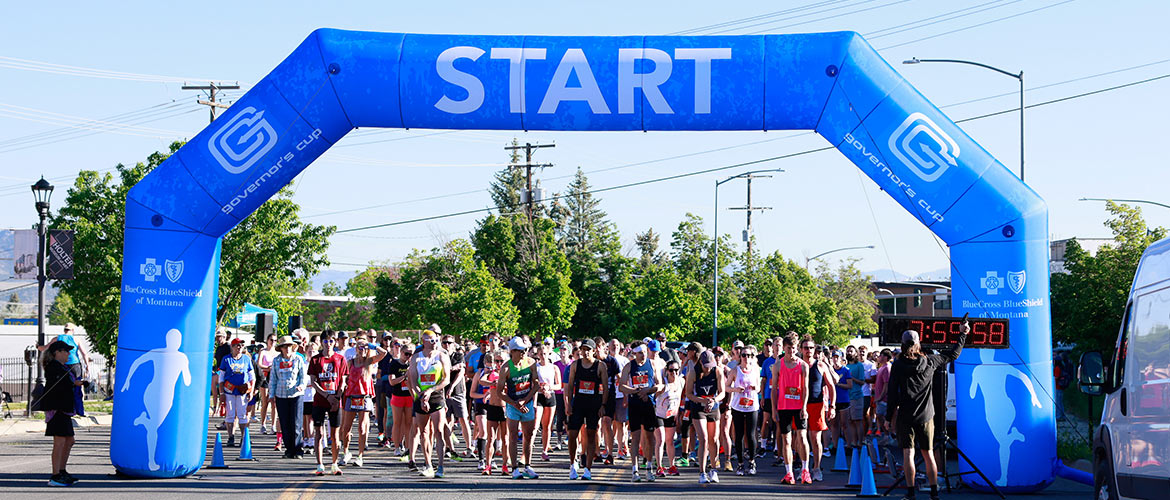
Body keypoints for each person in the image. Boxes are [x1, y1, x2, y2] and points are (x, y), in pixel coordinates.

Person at [887, 323, 968, 500]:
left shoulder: (898, 365)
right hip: (926, 415)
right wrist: (962, 335)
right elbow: (953, 354)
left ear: (902, 344)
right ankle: (934, 493)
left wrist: (888, 417)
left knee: (908, 454)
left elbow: (892, 393)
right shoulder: (930, 361)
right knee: (928, 453)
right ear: (918, 343)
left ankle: (910, 493)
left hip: (905, 415)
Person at [408, 329, 452, 478]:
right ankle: (428, 464)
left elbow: (446, 379)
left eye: (436, 340)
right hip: (420, 396)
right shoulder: (416, 358)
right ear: (424, 342)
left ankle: (440, 466)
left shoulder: (442, 356)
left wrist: (431, 390)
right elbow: (412, 380)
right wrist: (421, 396)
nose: (435, 343)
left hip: (436, 395)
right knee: (424, 431)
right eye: (431, 340)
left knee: (438, 431)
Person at [619, 340, 663, 482]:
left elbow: (660, 385)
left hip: (649, 403)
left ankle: (649, 468)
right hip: (635, 404)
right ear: (634, 354)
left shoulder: (652, 364)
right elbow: (621, 386)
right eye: (640, 353)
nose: (643, 355)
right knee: (636, 437)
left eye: (644, 352)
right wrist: (636, 391)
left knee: (650, 437)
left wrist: (648, 391)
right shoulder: (629, 366)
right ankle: (635, 470)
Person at [497, 337, 540, 480]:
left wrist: (525, 400)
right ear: (512, 351)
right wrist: (515, 403)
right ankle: (514, 467)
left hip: (526, 403)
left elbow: (536, 385)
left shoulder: (531, 363)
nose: (524, 353)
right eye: (521, 351)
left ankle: (527, 465)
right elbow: (499, 392)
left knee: (528, 435)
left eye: (525, 350)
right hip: (513, 405)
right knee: (513, 436)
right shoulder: (506, 368)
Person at [43, 340, 84, 486]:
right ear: (57, 352)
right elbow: (58, 384)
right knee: (59, 442)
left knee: (69, 441)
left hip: (65, 409)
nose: (68, 353)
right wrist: (73, 383)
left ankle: (62, 470)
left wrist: (77, 383)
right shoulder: (53, 367)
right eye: (66, 351)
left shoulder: (63, 367)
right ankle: (55, 476)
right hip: (57, 408)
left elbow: (66, 382)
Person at [566, 339, 608, 480]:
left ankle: (588, 469)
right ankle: (573, 465)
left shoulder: (600, 366)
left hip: (593, 404)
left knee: (591, 435)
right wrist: (568, 404)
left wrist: (603, 405)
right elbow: (570, 385)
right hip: (578, 403)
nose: (586, 352)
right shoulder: (575, 365)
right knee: (572, 434)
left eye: (588, 349)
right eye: (583, 349)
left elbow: (605, 388)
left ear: (594, 350)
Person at [772, 332, 810, 485]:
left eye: (794, 348)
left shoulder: (803, 365)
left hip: (799, 406)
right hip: (784, 406)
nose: (791, 352)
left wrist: (804, 407)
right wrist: (774, 410)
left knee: (801, 438)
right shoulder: (778, 365)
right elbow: (774, 388)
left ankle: (805, 470)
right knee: (786, 439)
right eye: (789, 348)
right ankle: (788, 472)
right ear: (784, 349)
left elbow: (805, 387)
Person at [308, 331, 347, 475]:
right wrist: (326, 395)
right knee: (319, 432)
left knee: (335, 434)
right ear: (321, 342)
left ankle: (335, 463)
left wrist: (337, 396)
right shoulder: (315, 360)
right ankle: (319, 464)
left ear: (335, 342)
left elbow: (343, 380)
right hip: (320, 400)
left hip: (335, 401)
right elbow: (313, 382)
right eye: (326, 341)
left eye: (331, 341)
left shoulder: (340, 359)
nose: (329, 344)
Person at [686, 349, 724, 484]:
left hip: (713, 406)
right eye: (706, 366)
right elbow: (688, 393)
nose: (708, 369)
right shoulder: (693, 373)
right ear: (701, 363)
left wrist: (714, 400)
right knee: (703, 438)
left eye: (710, 366)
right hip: (699, 406)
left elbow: (722, 392)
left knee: (714, 439)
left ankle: (713, 469)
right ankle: (702, 472)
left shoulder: (717, 371)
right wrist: (703, 401)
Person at [801, 335, 836, 481]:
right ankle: (804, 468)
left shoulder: (820, 365)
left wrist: (832, 406)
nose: (808, 350)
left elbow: (831, 386)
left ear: (814, 349)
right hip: (799, 405)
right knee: (800, 438)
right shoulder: (797, 364)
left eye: (811, 347)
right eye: (805, 348)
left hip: (817, 404)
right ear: (801, 349)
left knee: (815, 439)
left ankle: (816, 467)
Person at [270, 335, 308, 458]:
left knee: (296, 423)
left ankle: (298, 449)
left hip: (296, 394)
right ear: (280, 348)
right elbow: (273, 379)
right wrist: (271, 395)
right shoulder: (276, 361)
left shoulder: (298, 359)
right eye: (284, 347)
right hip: (281, 395)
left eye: (289, 346)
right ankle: (289, 450)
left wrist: (302, 385)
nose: (287, 349)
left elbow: (303, 376)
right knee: (285, 423)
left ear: (293, 347)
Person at [727, 343, 761, 476]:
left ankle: (752, 461)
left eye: (750, 355)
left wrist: (755, 388)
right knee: (739, 434)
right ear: (740, 356)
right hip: (738, 406)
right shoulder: (735, 370)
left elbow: (759, 387)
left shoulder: (756, 369)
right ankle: (740, 464)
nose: (747, 358)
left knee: (751, 434)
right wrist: (735, 389)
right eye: (744, 355)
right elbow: (726, 387)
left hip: (752, 406)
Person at [218, 338, 255, 448]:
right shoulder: (226, 359)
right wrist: (221, 393)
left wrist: (251, 391)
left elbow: (252, 376)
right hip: (229, 390)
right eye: (236, 345)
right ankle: (231, 437)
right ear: (232, 347)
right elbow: (221, 378)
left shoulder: (246, 359)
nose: (239, 347)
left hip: (242, 391)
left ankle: (244, 437)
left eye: (241, 345)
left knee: (242, 414)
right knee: (230, 414)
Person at [470, 349, 502, 474]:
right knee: (483, 431)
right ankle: (481, 459)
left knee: (492, 433)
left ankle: (491, 458)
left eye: (493, 364)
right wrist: (482, 396)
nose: (490, 368)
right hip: (481, 404)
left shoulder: (498, 374)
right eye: (487, 365)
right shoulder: (479, 374)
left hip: (494, 404)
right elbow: (472, 393)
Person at [49, 323, 89, 417]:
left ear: (64, 330)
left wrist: (38, 347)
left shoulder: (57, 338)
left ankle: (66, 410)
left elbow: (46, 348)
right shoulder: (76, 339)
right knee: (77, 388)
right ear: (73, 330)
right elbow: (84, 353)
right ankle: (79, 411)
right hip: (75, 365)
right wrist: (87, 366)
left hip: (62, 365)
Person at [654, 359, 684, 477]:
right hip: (659, 414)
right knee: (660, 440)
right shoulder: (663, 384)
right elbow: (654, 395)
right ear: (666, 371)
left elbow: (680, 396)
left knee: (670, 441)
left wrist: (677, 412)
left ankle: (672, 466)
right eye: (671, 370)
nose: (674, 373)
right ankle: (659, 467)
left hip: (671, 415)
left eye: (676, 370)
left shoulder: (681, 382)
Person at [534, 342, 562, 462]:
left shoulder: (554, 367)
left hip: (550, 396)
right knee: (535, 424)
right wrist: (541, 388)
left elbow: (559, 385)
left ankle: (545, 450)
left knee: (547, 425)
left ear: (548, 353)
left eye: (545, 353)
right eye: (541, 354)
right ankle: (528, 448)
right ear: (538, 355)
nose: (543, 356)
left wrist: (549, 387)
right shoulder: (536, 367)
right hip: (539, 396)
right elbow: (533, 383)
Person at [256, 334, 279, 434]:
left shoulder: (278, 352)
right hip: (265, 377)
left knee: (274, 403)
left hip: (275, 378)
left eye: (275, 340)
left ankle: (273, 425)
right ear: (267, 340)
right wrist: (267, 368)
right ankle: (263, 424)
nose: (273, 342)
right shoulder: (263, 351)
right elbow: (259, 364)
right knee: (265, 402)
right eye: (271, 340)